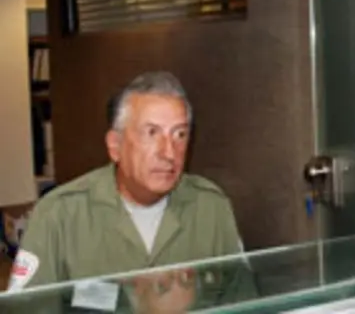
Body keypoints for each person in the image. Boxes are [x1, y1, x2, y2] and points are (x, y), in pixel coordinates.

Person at [6, 71, 256, 311]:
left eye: (179, 134)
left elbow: (248, 305)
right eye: (152, 133)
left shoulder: (211, 208)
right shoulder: (58, 216)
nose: (169, 152)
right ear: (115, 146)